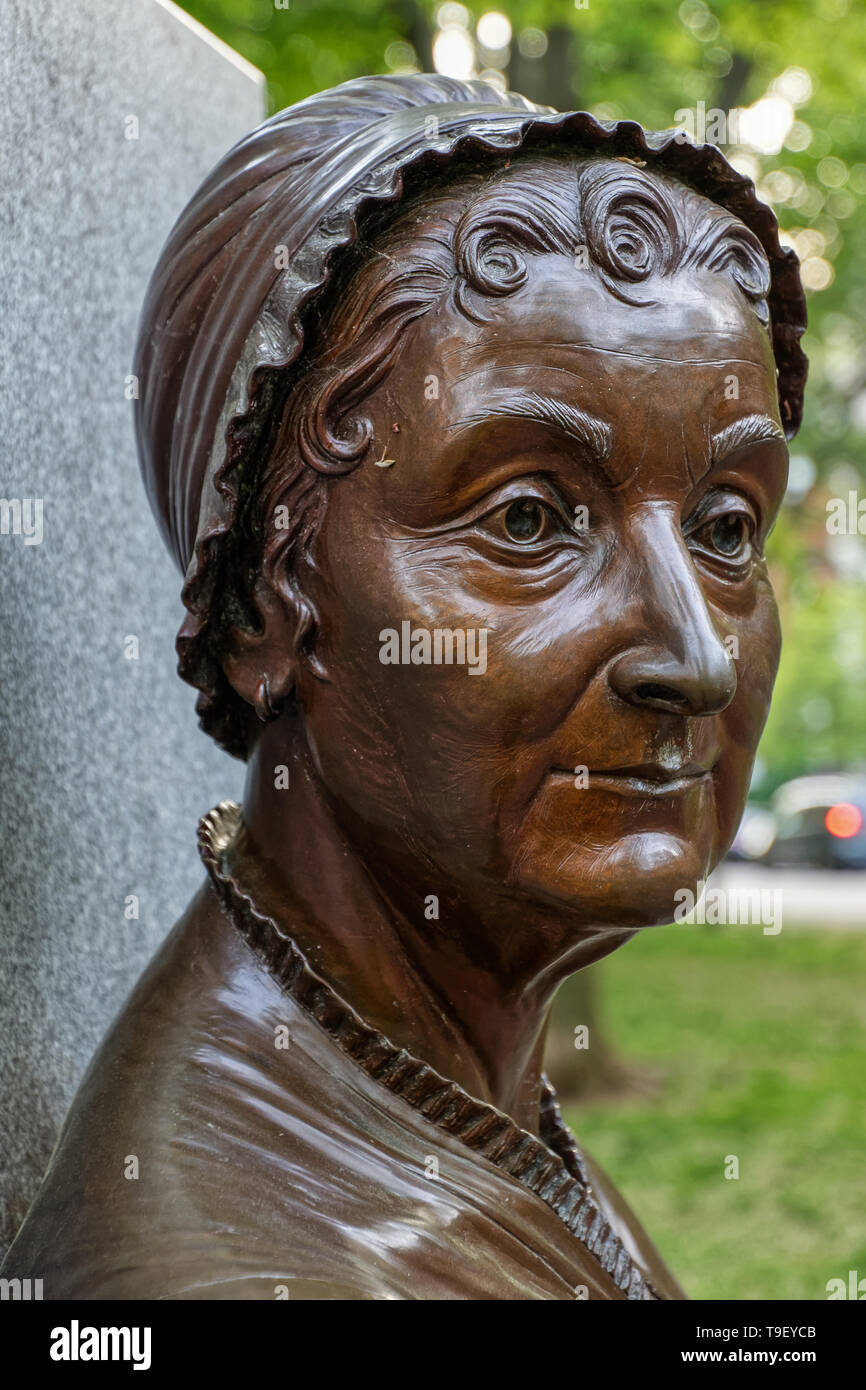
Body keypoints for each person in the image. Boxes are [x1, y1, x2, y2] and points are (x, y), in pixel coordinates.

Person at [1, 73, 806, 1300]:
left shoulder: (435, 1085)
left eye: (725, 528)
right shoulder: (226, 1275)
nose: (691, 656)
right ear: (266, 601)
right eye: (529, 518)